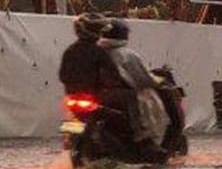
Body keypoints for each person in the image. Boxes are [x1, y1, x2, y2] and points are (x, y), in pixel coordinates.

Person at [97, 20, 170, 152]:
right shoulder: (127, 54)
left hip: (95, 94)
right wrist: (157, 81)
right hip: (119, 96)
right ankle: (145, 138)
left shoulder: (92, 51)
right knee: (150, 102)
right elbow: (143, 78)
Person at [58, 13, 114, 95]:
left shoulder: (71, 50)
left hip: (72, 95)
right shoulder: (99, 52)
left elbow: (63, 75)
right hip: (94, 96)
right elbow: (112, 75)